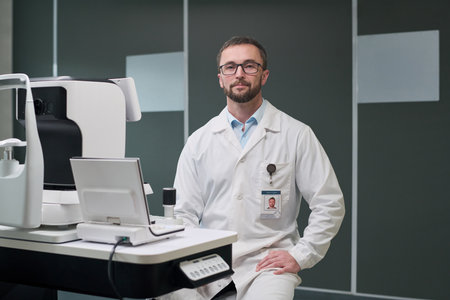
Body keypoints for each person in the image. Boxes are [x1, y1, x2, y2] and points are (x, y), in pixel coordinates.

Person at [172, 36, 345, 300]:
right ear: (220, 78)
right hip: (207, 261)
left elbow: (329, 203)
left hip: (267, 264)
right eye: (230, 67)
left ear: (264, 75)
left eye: (249, 66)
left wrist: (301, 254)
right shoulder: (199, 141)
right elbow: (183, 212)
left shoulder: (296, 134)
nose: (239, 73)